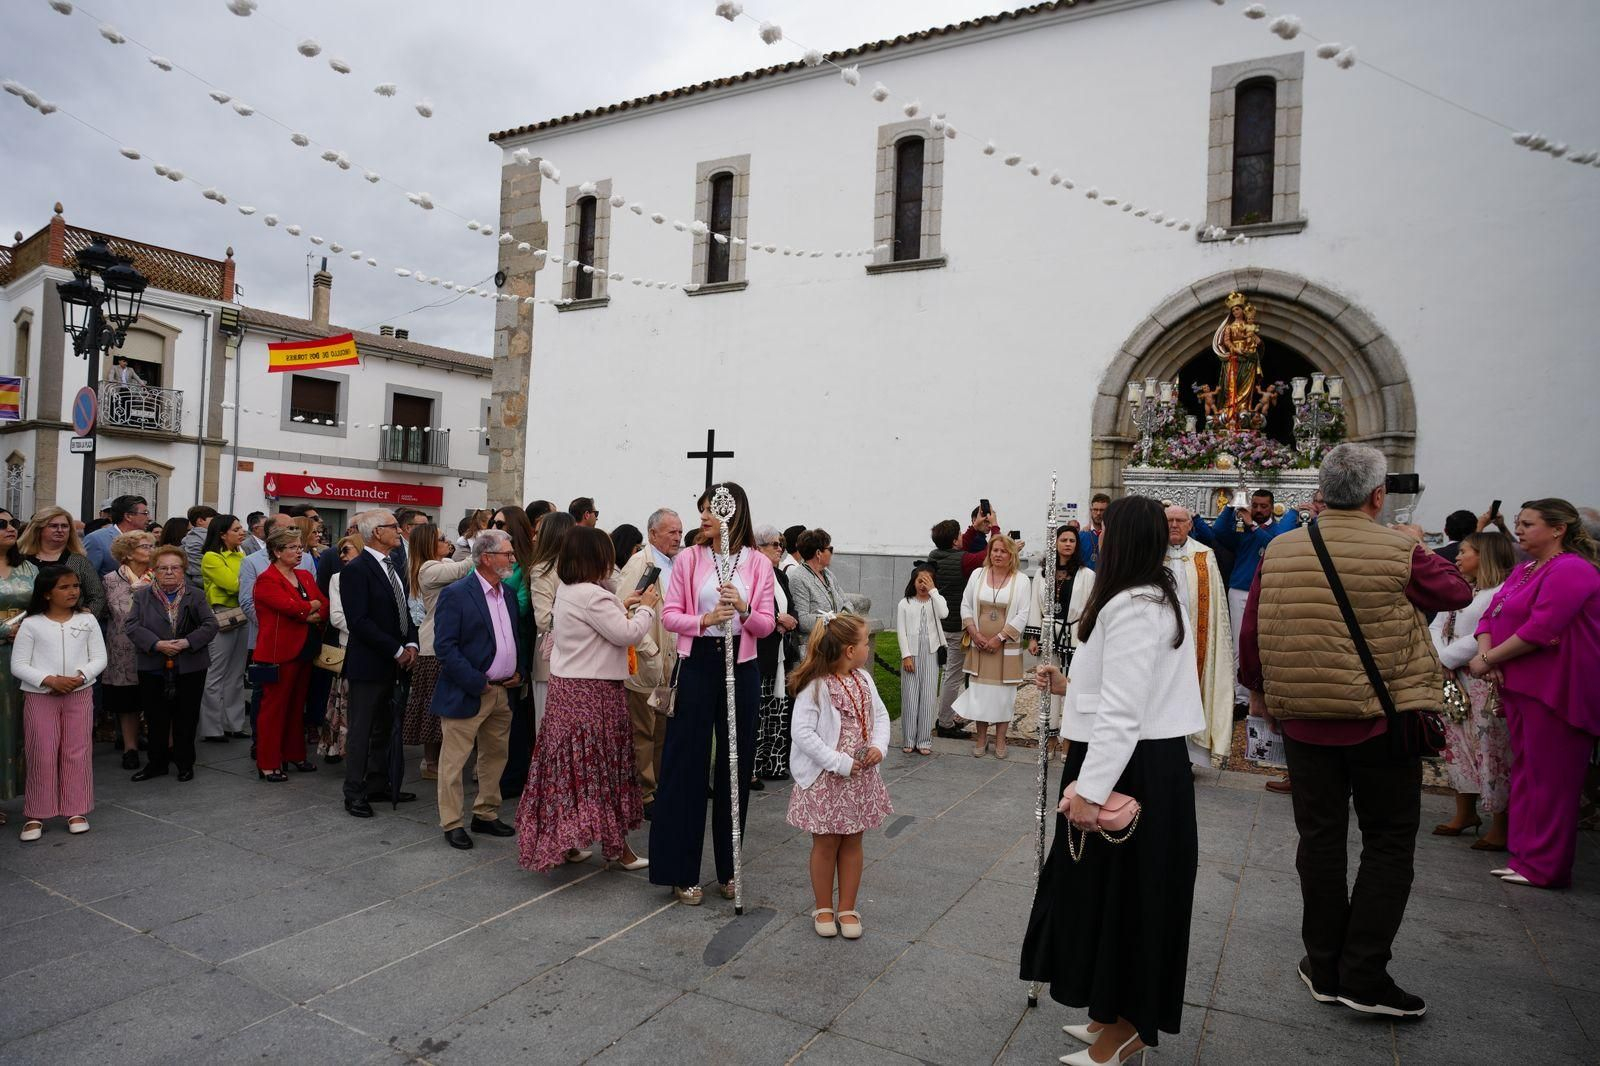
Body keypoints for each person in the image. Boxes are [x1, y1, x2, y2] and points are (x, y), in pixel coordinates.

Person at [1239, 443, 1471, 1018]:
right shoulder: (1400, 548)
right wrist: (1415, 541)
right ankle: (1363, 973)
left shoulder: (1281, 547)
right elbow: (1457, 592)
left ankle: (1323, 964)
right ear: (1377, 495)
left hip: (1306, 719)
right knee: (1388, 841)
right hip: (1381, 719)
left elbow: (1252, 631)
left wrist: (1260, 692)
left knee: (1319, 842)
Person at [1021, 495, 1204, 1064]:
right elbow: (1128, 693)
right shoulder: (1150, 595)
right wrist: (1070, 689)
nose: (1097, 539)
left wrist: (1091, 790)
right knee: (1107, 895)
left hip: (1129, 765)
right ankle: (1108, 1011)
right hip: (1134, 755)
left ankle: (1125, 1028)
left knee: (1127, 898)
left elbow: (1127, 712)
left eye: (1104, 531)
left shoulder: (1135, 604)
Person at [650, 482, 776, 905]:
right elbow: (669, 616)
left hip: (740, 666)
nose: (702, 516)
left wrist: (742, 608)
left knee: (734, 767)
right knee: (685, 765)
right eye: (701, 509)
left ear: (731, 513)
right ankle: (679, 870)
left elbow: (766, 625)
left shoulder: (757, 563)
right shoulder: (689, 558)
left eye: (710, 510)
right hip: (699, 662)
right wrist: (704, 619)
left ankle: (730, 867)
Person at [1471, 498, 1600, 889]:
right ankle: (1525, 856)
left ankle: (1546, 866)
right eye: (1518, 523)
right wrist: (1485, 655)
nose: (1520, 530)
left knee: (1553, 780)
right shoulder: (1526, 569)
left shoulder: (1573, 570)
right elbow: (1491, 613)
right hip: (1522, 685)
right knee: (1527, 773)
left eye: (1528, 524)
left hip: (1558, 687)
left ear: (1558, 529)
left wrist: (1488, 658)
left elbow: (1542, 628)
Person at [517, 526, 656, 870]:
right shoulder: (594, 596)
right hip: (594, 692)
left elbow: (595, 625)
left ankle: (566, 842)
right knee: (601, 769)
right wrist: (647, 609)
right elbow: (627, 633)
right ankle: (618, 848)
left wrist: (623, 604)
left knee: (569, 769)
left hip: (568, 690)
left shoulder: (569, 590)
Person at [787, 613, 892, 939]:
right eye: (864, 642)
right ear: (849, 650)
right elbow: (803, 733)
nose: (867, 648)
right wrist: (838, 761)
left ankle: (847, 906)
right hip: (827, 779)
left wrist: (878, 746)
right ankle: (823, 906)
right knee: (826, 842)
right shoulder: (816, 687)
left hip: (860, 780)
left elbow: (881, 714)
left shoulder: (864, 679)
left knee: (853, 841)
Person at [431, 529, 527, 850]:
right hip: (469, 690)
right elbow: (445, 647)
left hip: (503, 690)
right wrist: (476, 681)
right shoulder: (457, 594)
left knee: (495, 756)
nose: (512, 559)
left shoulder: (508, 594)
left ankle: (485, 813)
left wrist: (519, 671)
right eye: (507, 554)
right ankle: (452, 822)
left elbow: (513, 638)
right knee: (454, 762)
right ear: (487, 557)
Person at [1429, 530, 1515, 849]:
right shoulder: (1464, 587)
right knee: (1456, 743)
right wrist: (1441, 658)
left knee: (1491, 748)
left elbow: (1484, 633)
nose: (1458, 557)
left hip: (1480, 677)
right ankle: (1464, 811)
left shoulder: (1501, 591)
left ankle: (1500, 823)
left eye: (1465, 551)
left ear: (1484, 555)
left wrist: (1446, 659)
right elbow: (1437, 625)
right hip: (1451, 675)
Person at [12, 565, 107, 841]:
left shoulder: (87, 621)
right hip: (41, 696)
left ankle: (76, 809)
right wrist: (48, 679)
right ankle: (36, 812)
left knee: (76, 750)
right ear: (46, 593)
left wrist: (80, 676)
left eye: (75, 586)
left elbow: (99, 658)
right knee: (41, 750)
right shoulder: (31, 624)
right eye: (64, 587)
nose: (73, 592)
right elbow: (18, 664)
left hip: (79, 693)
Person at [1192, 488, 1301, 715]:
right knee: (1241, 642)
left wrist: (1252, 524)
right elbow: (1219, 533)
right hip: (1241, 589)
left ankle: (1271, 692)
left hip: (1271, 589)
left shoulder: (1279, 527)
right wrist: (1233, 506)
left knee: (1271, 641)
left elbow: (1273, 545)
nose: (1259, 510)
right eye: (1256, 505)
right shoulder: (1242, 526)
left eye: (1264, 506)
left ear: (1272, 507)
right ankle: (1241, 698)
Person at [338, 509, 418, 816]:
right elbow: (359, 621)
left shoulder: (392, 565)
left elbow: (403, 609)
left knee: (384, 728)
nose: (399, 531)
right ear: (376, 533)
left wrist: (410, 642)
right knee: (361, 730)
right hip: (370, 664)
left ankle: (377, 784)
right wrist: (396, 649)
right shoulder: (357, 569)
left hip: (393, 663)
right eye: (393, 527)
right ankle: (354, 791)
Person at [125, 545, 218, 782]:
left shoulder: (195, 594)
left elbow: (210, 625)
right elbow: (132, 626)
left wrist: (187, 642)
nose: (169, 572)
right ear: (153, 570)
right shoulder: (142, 595)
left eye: (174, 568)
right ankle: (156, 764)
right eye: (163, 568)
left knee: (186, 717)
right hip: (153, 664)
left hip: (190, 664)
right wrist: (157, 644)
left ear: (183, 570)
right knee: (156, 717)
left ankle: (185, 763)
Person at [616, 508, 683, 815]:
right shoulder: (640, 564)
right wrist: (649, 650)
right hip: (648, 665)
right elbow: (624, 609)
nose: (678, 537)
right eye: (672, 532)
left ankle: (657, 786)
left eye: (680, 532)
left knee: (661, 730)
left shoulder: (675, 563)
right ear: (653, 533)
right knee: (643, 730)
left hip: (670, 665)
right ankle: (643, 794)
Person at [1161, 506, 1235, 769]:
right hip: (1159, 642)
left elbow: (1216, 607)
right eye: (1169, 520)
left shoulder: (1204, 556)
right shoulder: (1152, 554)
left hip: (1195, 640)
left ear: (1191, 524)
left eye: (1180, 521)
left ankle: (1188, 757)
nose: (1174, 525)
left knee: (1192, 692)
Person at [251, 528, 327, 782]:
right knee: (274, 709)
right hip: (278, 653)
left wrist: (308, 611)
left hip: (305, 648)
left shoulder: (304, 575)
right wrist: (308, 610)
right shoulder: (267, 580)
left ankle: (294, 754)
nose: (299, 552)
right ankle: (269, 762)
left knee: (297, 706)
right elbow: (290, 607)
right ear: (277, 551)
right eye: (293, 548)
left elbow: (323, 605)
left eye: (300, 548)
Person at [402, 522, 472, 780]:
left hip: (443, 641)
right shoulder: (429, 568)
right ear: (429, 545)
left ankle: (435, 760)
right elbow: (465, 567)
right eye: (442, 538)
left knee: (440, 704)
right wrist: (484, 545)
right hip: (434, 645)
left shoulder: (437, 566)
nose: (447, 542)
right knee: (434, 706)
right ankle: (431, 762)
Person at [954, 534, 1029, 759]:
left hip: (1004, 648)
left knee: (1004, 696)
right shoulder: (978, 575)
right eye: (994, 550)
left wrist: (999, 638)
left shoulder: (1022, 580)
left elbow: (1023, 613)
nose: (998, 555)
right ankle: (980, 739)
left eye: (1003, 551)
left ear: (1011, 554)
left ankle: (1000, 740)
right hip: (979, 646)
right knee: (980, 693)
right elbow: (966, 604)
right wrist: (975, 633)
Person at [1025, 524, 1096, 759]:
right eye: (1063, 540)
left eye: (1072, 541)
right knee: (1048, 688)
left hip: (1075, 636)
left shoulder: (1087, 575)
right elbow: (1036, 605)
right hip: (1049, 635)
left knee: (1072, 688)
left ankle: (1069, 742)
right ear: (1055, 543)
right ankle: (1050, 739)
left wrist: (1087, 639)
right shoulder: (1044, 573)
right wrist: (1034, 637)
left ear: (1077, 546)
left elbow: (1090, 609)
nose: (1067, 544)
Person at [494, 505, 544, 795]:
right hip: (496, 649)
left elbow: (524, 608)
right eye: (492, 521)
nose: (495, 525)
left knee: (516, 719)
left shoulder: (525, 567)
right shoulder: (491, 563)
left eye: (500, 522)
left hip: (518, 645)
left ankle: (514, 775)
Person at [101, 531, 156, 770]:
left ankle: (160, 745)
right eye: (145, 546)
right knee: (127, 702)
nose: (151, 550)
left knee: (155, 697)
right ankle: (130, 748)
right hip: (123, 647)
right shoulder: (112, 579)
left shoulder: (160, 574)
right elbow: (121, 611)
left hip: (154, 644)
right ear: (128, 553)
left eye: (153, 545)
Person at [928, 519, 988, 741]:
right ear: (954, 540)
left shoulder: (935, 555)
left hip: (940, 623)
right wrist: (998, 530)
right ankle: (945, 722)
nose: (964, 536)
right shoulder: (963, 560)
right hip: (954, 625)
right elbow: (986, 554)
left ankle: (946, 716)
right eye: (960, 534)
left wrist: (976, 528)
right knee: (953, 676)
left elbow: (963, 547)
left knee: (945, 674)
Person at [752, 524, 800, 783]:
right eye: (774, 544)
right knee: (756, 713)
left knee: (776, 707)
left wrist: (788, 618)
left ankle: (773, 763)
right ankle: (752, 768)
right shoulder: (753, 574)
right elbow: (750, 608)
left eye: (781, 544)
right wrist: (776, 619)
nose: (780, 549)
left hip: (779, 651)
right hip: (760, 651)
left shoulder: (779, 575)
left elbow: (792, 607)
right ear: (758, 548)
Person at [0, 509, 38, 824]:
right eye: (1, 524)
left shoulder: (27, 567)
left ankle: (32, 795)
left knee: (21, 725)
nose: (10, 528)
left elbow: (41, 605)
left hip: (25, 653)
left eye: (13, 523)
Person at [197, 515, 250, 743]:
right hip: (221, 616)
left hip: (242, 614)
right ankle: (211, 728)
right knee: (216, 673)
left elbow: (242, 584)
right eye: (236, 529)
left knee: (237, 672)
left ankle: (234, 724)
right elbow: (234, 585)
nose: (242, 532)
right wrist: (245, 583)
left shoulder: (242, 554)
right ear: (222, 533)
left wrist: (244, 584)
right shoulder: (211, 557)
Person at [527, 510, 576, 732]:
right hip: (550, 660)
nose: (534, 538)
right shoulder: (543, 569)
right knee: (548, 729)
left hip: (576, 660)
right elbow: (544, 619)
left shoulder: (579, 567)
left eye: (539, 533)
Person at [319, 534, 366, 762]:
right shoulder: (337, 578)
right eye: (340, 551)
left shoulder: (375, 575)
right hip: (349, 647)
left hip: (372, 650)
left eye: (347, 550)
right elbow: (336, 617)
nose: (341, 556)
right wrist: (370, 632)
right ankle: (339, 747)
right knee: (344, 702)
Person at [896, 563, 947, 755]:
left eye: (927, 581)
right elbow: (901, 632)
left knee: (928, 695)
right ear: (913, 582)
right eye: (920, 580)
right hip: (912, 655)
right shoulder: (905, 603)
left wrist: (934, 591)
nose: (923, 585)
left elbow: (944, 613)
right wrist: (906, 655)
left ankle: (924, 739)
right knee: (910, 696)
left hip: (932, 653)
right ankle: (909, 738)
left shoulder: (936, 600)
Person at [20, 507, 105, 619]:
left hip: (68, 627)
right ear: (38, 529)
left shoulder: (79, 561)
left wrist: (84, 618)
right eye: (53, 526)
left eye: (64, 526)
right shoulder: (21, 559)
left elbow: (97, 597)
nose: (60, 530)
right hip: (23, 624)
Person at [786, 528, 841, 633]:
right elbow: (803, 620)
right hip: (814, 644)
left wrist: (843, 620)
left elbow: (846, 602)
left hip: (834, 640)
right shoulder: (799, 578)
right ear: (818, 553)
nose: (832, 553)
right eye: (830, 549)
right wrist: (835, 621)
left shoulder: (828, 574)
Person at [83, 495, 151, 577]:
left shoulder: (146, 540)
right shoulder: (97, 539)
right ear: (128, 516)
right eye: (145, 513)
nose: (149, 518)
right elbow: (86, 577)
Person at [180, 505, 216, 583]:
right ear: (200, 521)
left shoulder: (190, 536)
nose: (216, 523)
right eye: (213, 519)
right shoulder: (204, 537)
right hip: (203, 579)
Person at [1077, 493, 1111, 570]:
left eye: (1102, 510)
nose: (1098, 513)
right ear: (1091, 510)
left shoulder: (1115, 536)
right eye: (1095, 509)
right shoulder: (1081, 535)